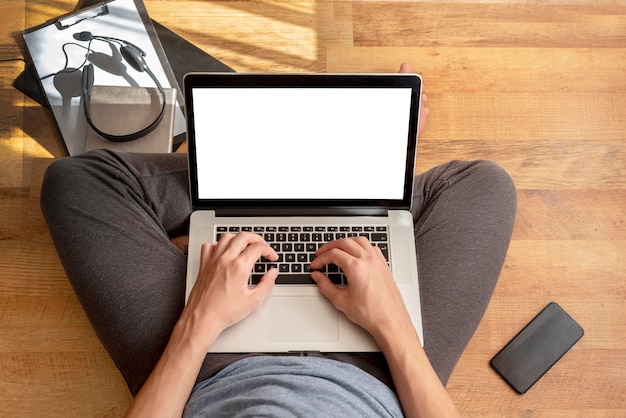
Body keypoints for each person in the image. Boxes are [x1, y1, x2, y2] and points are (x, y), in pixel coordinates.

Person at [40, 63, 517, 417]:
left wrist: (198, 324)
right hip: (385, 375)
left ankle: (288, 173)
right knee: (484, 185)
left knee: (76, 183)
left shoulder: (199, 341)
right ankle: (350, 175)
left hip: (205, 370)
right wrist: (393, 327)